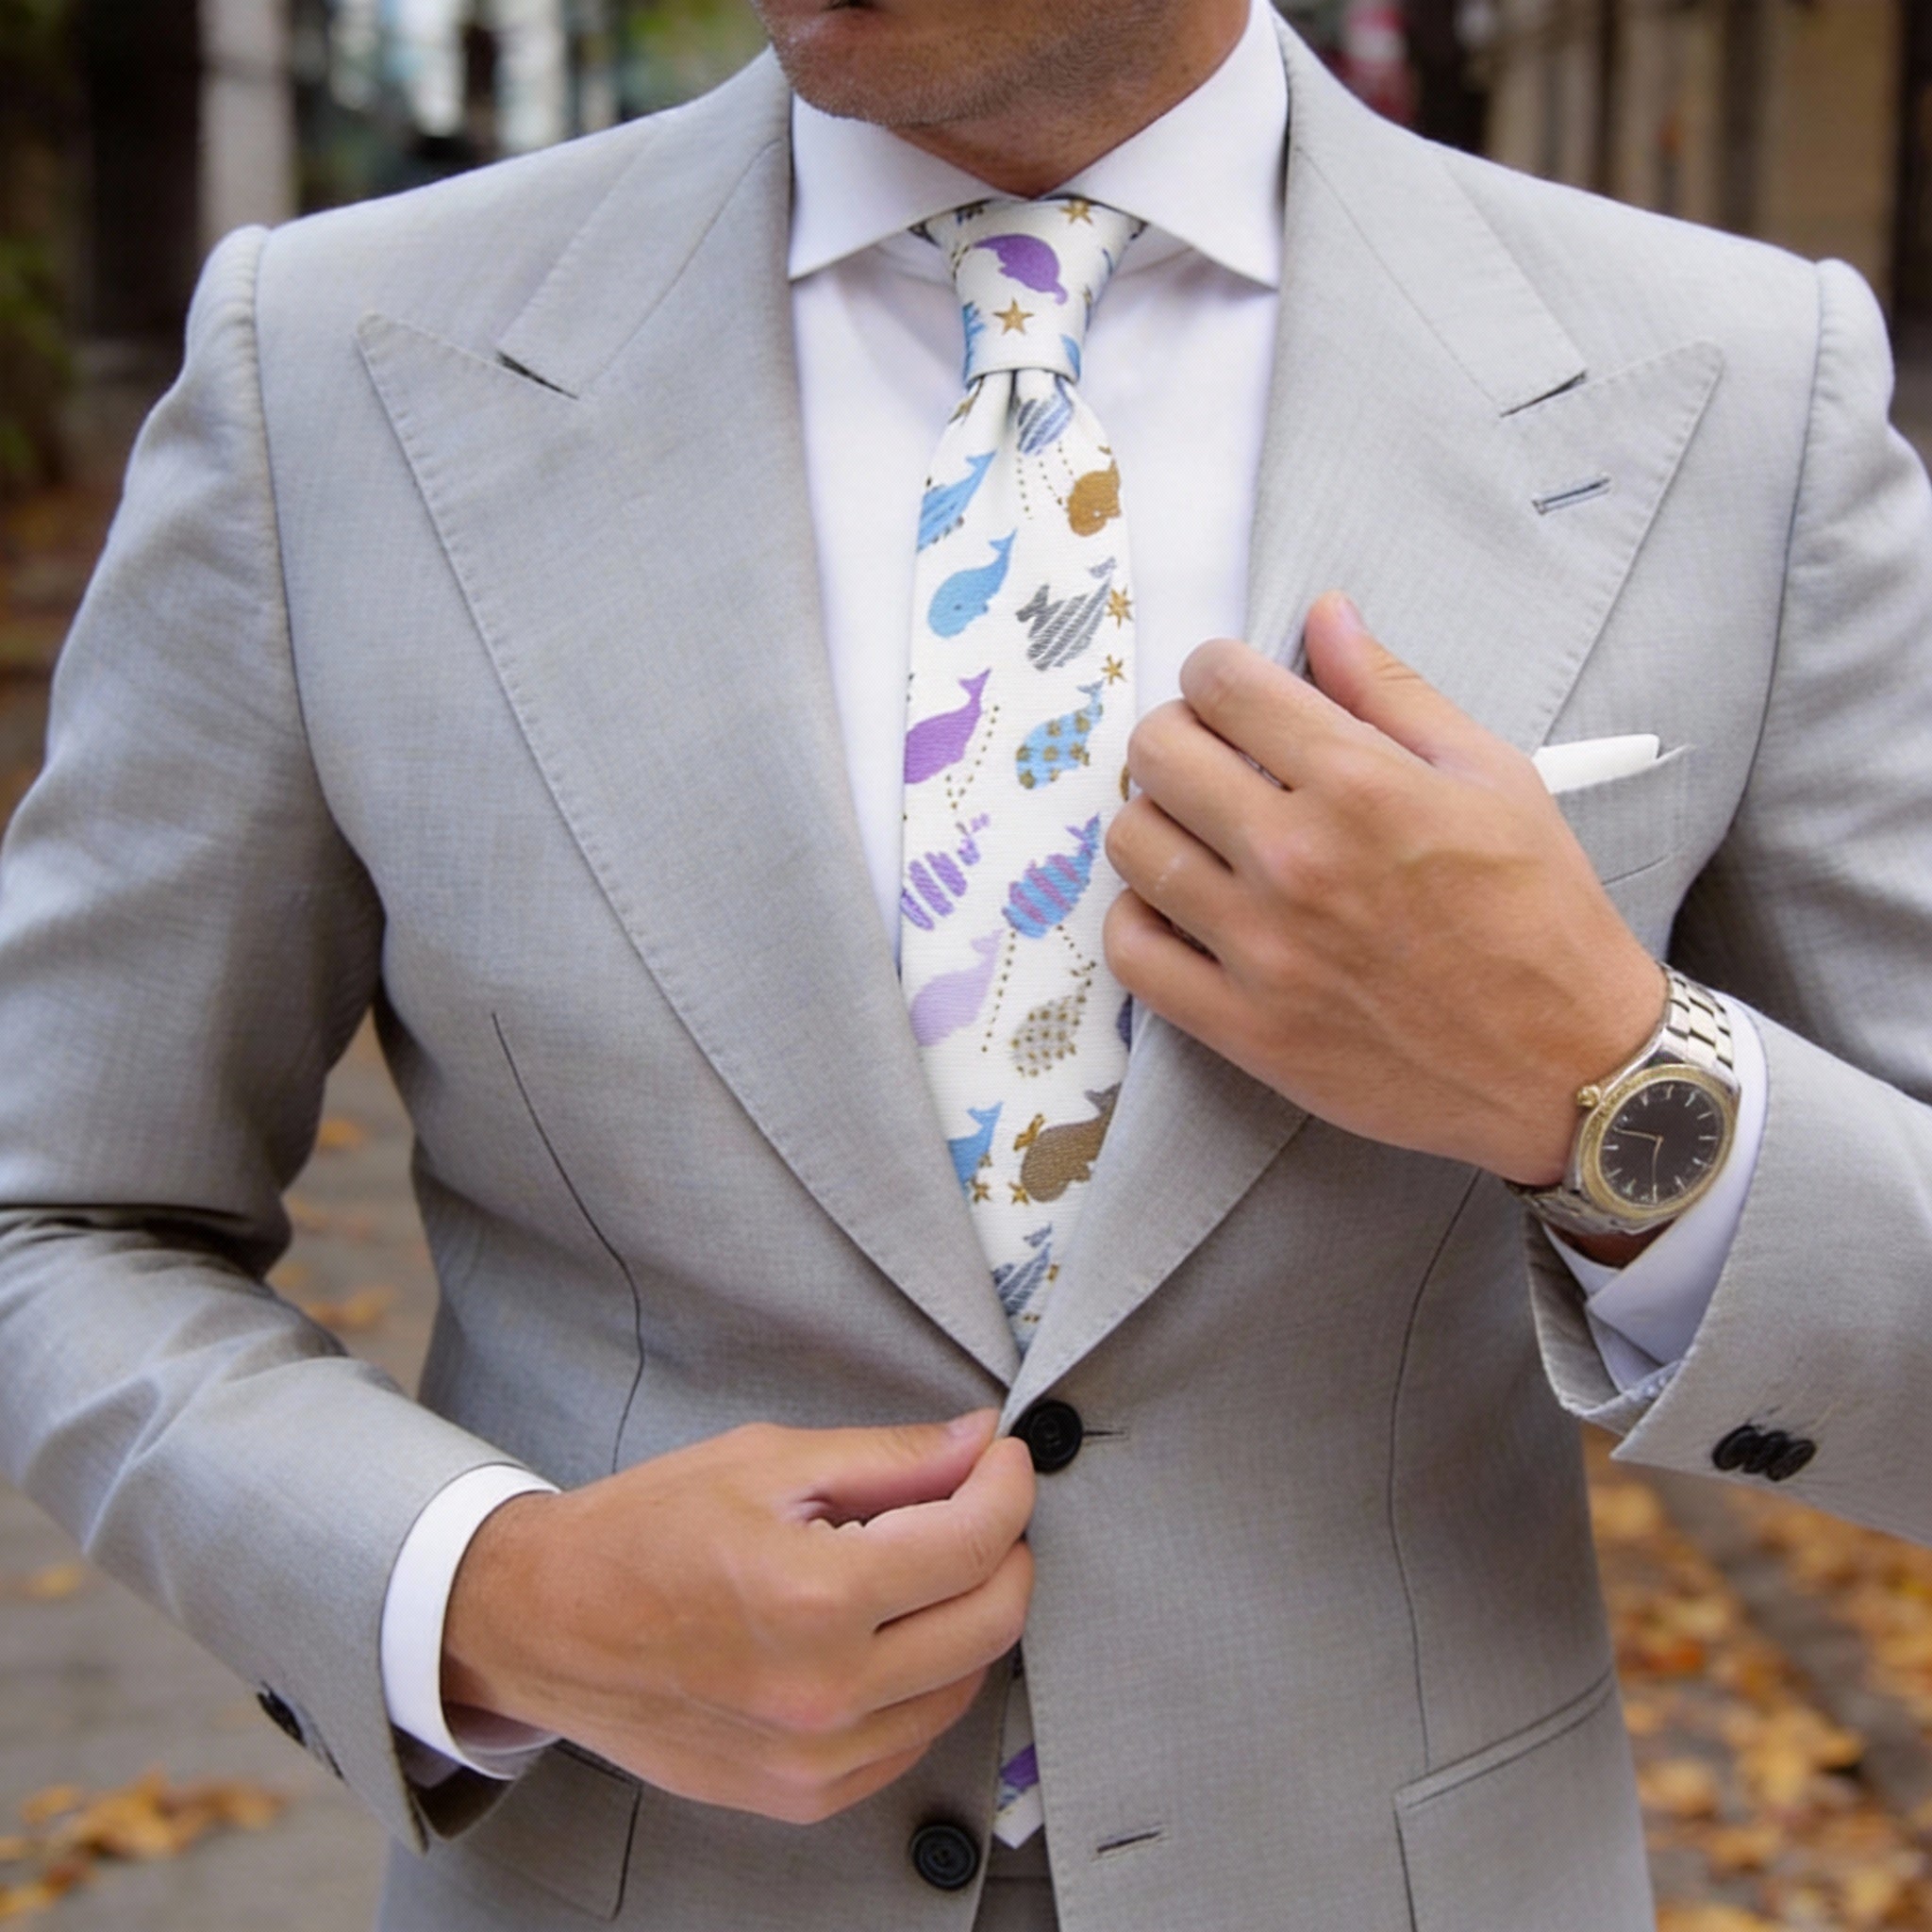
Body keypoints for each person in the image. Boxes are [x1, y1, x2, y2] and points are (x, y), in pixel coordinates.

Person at [1, 0, 1929, 1925]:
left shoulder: (1736, 392)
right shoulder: (328, 367)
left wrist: (1602, 1082)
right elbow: (59, 1214)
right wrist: (488, 1596)